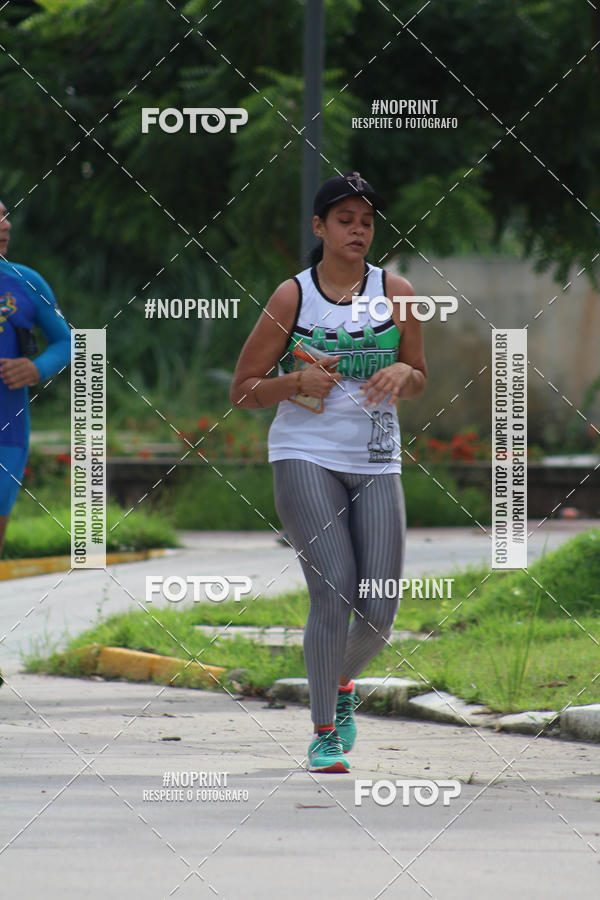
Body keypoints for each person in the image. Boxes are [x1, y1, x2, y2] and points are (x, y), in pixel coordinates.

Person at [230, 172, 427, 773]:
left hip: (375, 457)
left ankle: (338, 681)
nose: (358, 230)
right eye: (345, 220)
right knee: (334, 587)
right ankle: (322, 731)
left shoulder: (399, 291)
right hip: (304, 454)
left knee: (381, 606)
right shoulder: (293, 296)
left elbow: (418, 373)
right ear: (320, 228)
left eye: (366, 221)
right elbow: (243, 391)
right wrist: (295, 382)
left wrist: (402, 377)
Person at [0, 199, 71, 556]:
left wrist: (36, 368)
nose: (6, 225)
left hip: (6, 433)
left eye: (5, 216)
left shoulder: (25, 282)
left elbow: (67, 341)